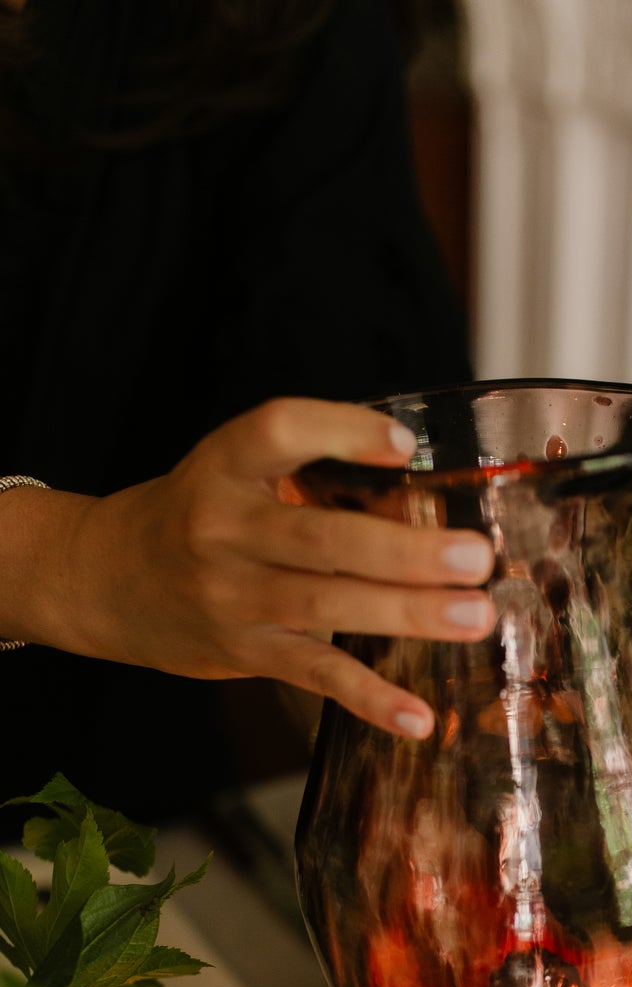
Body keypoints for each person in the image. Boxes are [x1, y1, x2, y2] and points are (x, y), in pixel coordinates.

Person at [0, 0, 495, 821]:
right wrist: (85, 562)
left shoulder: (290, 25)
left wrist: (416, 750)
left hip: (116, 844)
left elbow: (365, 463)